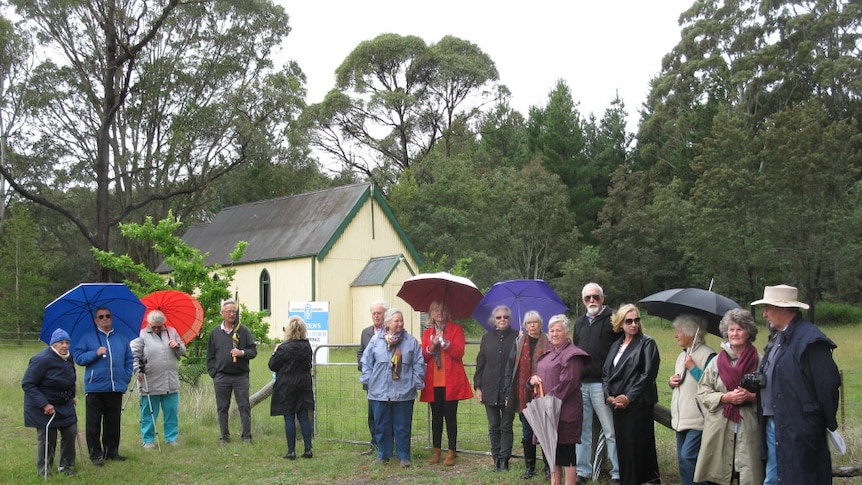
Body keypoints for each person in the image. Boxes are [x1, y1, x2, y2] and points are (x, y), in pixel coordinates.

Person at [751, 284, 840, 485]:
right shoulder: (778, 338)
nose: (764, 314)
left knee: (801, 476)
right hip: (775, 421)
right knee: (775, 477)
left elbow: (828, 384)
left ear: (783, 309)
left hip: (799, 427)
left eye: (768, 308)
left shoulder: (810, 340)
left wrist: (816, 420)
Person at [694, 308, 764, 485]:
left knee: (748, 475)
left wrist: (751, 397)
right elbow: (703, 392)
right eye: (731, 330)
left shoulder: (760, 361)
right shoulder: (717, 362)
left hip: (749, 428)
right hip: (719, 428)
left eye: (739, 329)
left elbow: (771, 394)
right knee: (717, 476)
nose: (735, 333)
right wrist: (725, 398)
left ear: (748, 332)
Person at [603, 303, 661, 485]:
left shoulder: (647, 343)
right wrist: (609, 396)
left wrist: (628, 397)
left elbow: (647, 375)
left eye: (637, 320)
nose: (634, 324)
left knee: (639, 447)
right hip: (618, 406)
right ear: (620, 323)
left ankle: (647, 480)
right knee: (624, 448)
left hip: (638, 405)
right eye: (629, 321)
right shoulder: (615, 345)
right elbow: (606, 373)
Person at [529, 314, 590, 485]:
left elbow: (568, 383)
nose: (554, 334)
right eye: (552, 330)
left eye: (558, 330)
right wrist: (532, 380)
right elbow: (539, 375)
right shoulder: (548, 353)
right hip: (547, 411)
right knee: (552, 451)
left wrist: (546, 402)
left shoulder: (573, 355)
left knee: (566, 451)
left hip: (565, 412)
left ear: (567, 332)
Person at [360, 308, 425, 467]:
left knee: (402, 426)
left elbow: (419, 364)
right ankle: (383, 454)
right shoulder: (376, 341)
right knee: (381, 425)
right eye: (396, 321)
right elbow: (366, 362)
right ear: (388, 323)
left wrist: (415, 383)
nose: (400, 323)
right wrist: (368, 381)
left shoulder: (410, 342)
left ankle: (404, 456)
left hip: (404, 392)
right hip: (379, 392)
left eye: (401, 320)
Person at [72, 306, 133, 466]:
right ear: (95, 320)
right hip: (95, 387)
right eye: (101, 316)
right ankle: (95, 454)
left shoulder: (121, 338)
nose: (104, 318)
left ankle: (111, 452)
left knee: (113, 422)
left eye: (107, 316)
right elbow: (78, 358)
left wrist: (125, 378)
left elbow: (129, 360)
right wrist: (95, 353)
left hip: (115, 387)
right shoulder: (87, 338)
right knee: (93, 424)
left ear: (111, 318)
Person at [572, 282, 620, 485]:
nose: (592, 301)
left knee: (611, 430)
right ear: (583, 301)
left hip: (603, 384)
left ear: (603, 298)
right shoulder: (579, 322)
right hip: (582, 384)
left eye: (596, 297)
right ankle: (582, 471)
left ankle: (618, 472)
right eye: (588, 298)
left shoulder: (613, 320)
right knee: (582, 430)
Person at [420, 299, 473, 466]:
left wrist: (445, 343)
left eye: (442, 310)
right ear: (431, 314)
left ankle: (451, 451)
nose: (439, 313)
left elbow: (459, 353)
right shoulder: (428, 332)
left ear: (447, 313)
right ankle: (436, 451)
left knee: (450, 417)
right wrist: (433, 345)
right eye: (435, 310)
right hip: (433, 381)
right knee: (436, 418)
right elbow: (424, 357)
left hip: (451, 381)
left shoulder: (456, 329)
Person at [22, 329, 78, 477]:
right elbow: (28, 383)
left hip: (64, 403)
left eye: (67, 342)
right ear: (53, 344)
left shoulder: (68, 357)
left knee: (70, 431)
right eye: (61, 342)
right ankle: (44, 470)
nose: (65, 345)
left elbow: (71, 377)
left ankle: (66, 467)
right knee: (48, 438)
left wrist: (72, 395)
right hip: (44, 405)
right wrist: (44, 404)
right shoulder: (42, 359)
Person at [668, 314, 716, 485]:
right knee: (682, 461)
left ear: (691, 332)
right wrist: (671, 381)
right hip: (681, 418)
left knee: (689, 457)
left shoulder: (709, 356)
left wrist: (694, 369)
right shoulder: (683, 356)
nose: (676, 335)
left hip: (699, 419)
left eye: (679, 331)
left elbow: (713, 385)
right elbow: (682, 382)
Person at [505, 310, 552, 479]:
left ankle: (548, 468)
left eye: (535, 322)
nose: (532, 325)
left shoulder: (548, 341)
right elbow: (510, 368)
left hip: (543, 393)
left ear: (541, 324)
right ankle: (529, 467)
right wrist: (506, 392)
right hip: (523, 393)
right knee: (526, 432)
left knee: (545, 431)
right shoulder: (519, 341)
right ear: (525, 326)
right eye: (529, 323)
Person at [130, 309, 186, 449]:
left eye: (159, 326)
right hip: (149, 381)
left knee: (171, 411)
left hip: (170, 381)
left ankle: (171, 438)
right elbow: (134, 356)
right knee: (149, 413)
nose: (156, 329)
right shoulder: (141, 334)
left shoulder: (171, 332)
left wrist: (177, 346)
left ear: (163, 324)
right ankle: (148, 440)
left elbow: (182, 351)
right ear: (149, 324)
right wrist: (137, 370)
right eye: (153, 326)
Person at [207, 299, 257, 445]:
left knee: (244, 407)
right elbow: (210, 355)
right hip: (221, 376)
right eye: (228, 311)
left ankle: (246, 436)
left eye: (234, 311)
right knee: (222, 407)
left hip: (240, 376)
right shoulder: (215, 333)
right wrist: (214, 373)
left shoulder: (243, 331)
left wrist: (241, 353)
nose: (231, 314)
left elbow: (253, 351)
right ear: (222, 313)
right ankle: (224, 436)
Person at [474, 305, 518, 472]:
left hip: (509, 389)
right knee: (494, 425)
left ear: (509, 319)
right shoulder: (487, 338)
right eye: (498, 317)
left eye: (505, 317)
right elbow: (480, 363)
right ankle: (496, 459)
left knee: (506, 425)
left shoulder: (517, 337)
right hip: (490, 387)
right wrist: (478, 387)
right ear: (494, 320)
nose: (502, 320)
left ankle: (504, 460)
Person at [269, 315, 315, 459]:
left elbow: (272, 365)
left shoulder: (283, 348)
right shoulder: (307, 346)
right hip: (303, 383)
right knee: (303, 416)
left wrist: (275, 351)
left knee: (289, 416)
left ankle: (291, 450)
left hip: (287, 385)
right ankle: (308, 449)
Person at [357, 300, 388, 456]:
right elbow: (361, 353)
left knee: (387, 414)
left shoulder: (392, 330)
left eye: (379, 313)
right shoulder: (366, 332)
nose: (376, 316)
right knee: (373, 414)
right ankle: (374, 444)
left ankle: (388, 444)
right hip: (371, 381)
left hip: (388, 380)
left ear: (385, 314)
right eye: (374, 313)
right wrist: (364, 369)